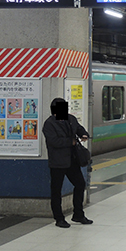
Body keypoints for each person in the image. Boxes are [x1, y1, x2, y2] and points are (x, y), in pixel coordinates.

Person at [42, 97, 92, 228]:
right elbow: (53, 142)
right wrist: (71, 142)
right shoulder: (49, 124)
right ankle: (59, 218)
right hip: (57, 162)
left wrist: (84, 134)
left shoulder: (71, 119)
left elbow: (79, 128)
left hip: (72, 160)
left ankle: (78, 214)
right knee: (56, 191)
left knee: (80, 184)